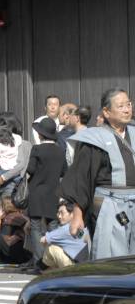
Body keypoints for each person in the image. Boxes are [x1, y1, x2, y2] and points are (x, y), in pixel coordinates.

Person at [61, 88, 135, 259]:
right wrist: (77, 215)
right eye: (121, 106)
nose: (127, 109)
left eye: (129, 104)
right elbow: (82, 179)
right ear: (106, 112)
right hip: (110, 204)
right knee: (111, 257)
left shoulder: (133, 133)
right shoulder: (94, 138)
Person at [26, 117, 67, 255]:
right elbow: (64, 172)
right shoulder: (60, 151)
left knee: (35, 227)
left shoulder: (37, 149)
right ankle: (54, 258)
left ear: (40, 134)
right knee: (53, 225)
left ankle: (40, 260)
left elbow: (30, 169)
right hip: (53, 192)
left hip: (36, 192)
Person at [41, 202, 90, 270]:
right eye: (58, 213)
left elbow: (43, 240)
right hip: (87, 265)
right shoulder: (82, 225)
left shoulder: (66, 228)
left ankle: (47, 269)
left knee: (52, 248)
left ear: (72, 214)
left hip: (76, 268)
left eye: (62, 213)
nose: (59, 216)